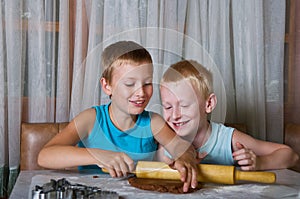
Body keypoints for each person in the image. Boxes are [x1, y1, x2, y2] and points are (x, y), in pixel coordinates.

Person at [38, 41, 199, 192]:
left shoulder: (153, 123)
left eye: (147, 83)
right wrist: (98, 155)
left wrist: (185, 157)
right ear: (107, 86)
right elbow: (45, 156)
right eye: (129, 84)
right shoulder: (90, 119)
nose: (141, 93)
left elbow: (182, 147)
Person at [158, 60, 299, 171]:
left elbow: (290, 155)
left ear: (209, 104)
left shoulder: (228, 139)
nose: (175, 115)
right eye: (168, 107)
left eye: (184, 106)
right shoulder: (165, 138)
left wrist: (259, 162)